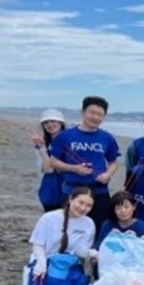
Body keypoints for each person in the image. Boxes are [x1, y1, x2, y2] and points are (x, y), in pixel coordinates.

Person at [47, 96, 120, 227]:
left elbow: (113, 162)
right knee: (67, 226)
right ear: (83, 112)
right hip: (72, 189)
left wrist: (108, 174)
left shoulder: (107, 138)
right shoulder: (65, 136)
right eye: (92, 113)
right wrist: (75, 168)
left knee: (99, 227)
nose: (95, 117)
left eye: (100, 114)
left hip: (99, 190)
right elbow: (53, 162)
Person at [25, 187, 98, 285]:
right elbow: (38, 244)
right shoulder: (48, 218)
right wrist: (41, 263)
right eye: (80, 202)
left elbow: (79, 250)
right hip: (47, 261)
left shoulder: (89, 224)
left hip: (70, 264)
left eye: (88, 206)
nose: (83, 208)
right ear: (71, 199)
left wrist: (92, 253)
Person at [30, 108, 66, 211]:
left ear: (61, 123)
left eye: (53, 121)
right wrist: (42, 148)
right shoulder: (44, 143)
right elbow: (47, 169)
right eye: (46, 122)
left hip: (66, 187)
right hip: (50, 189)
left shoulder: (70, 141)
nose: (50, 125)